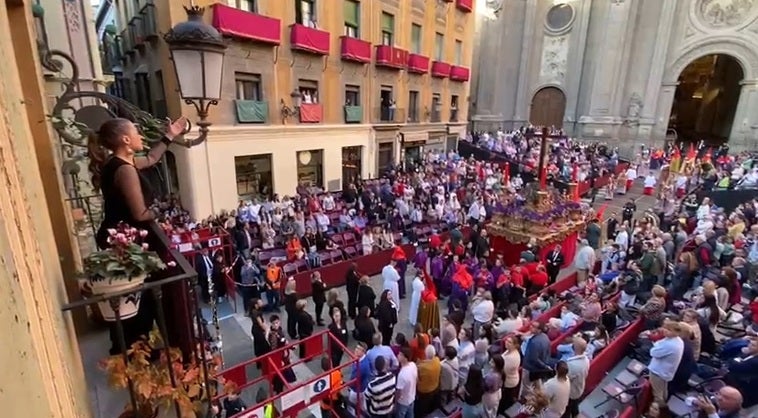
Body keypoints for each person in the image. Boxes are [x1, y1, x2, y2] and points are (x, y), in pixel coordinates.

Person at [647, 321, 685, 404]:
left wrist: (656, 346)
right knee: (663, 391)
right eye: (665, 328)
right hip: (665, 372)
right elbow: (658, 344)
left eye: (669, 329)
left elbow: (653, 352)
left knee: (658, 395)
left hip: (658, 373)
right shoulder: (677, 340)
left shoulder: (671, 344)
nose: (665, 330)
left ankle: (658, 412)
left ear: (676, 332)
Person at [563, 337, 590, 418]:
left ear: (575, 348)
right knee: (574, 406)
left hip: (571, 392)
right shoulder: (586, 359)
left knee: (566, 410)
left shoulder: (573, 364)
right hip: (579, 389)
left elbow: (565, 378)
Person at [416, 345, 442, 416]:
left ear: (425, 353)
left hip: (424, 391)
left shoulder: (421, 367)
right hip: (435, 387)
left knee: (422, 409)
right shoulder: (437, 360)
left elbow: (417, 378)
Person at [395, 347, 417, 418]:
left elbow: (399, 392)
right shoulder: (413, 365)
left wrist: (395, 402)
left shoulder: (402, 375)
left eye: (400, 354)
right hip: (411, 398)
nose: (398, 355)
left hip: (403, 402)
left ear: (405, 358)